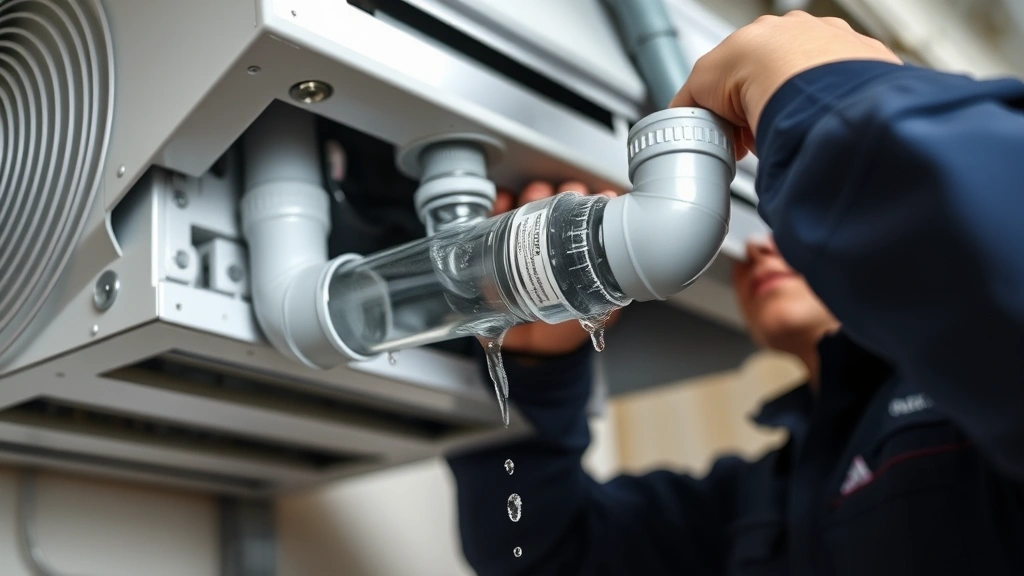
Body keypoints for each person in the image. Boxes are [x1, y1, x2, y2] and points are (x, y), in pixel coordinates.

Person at [446, 10, 1024, 576]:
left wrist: (819, 88)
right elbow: (537, 549)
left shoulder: (963, 410)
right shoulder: (763, 501)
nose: (761, 249)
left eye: (794, 226)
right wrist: (536, 372)